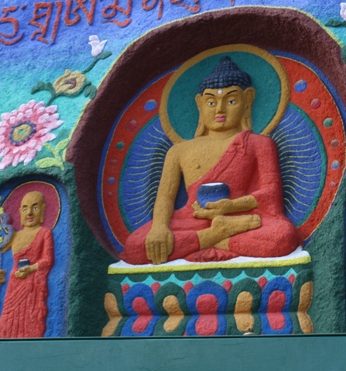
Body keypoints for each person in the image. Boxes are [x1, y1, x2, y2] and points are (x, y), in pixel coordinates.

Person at [121, 56, 300, 264]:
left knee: (284, 237)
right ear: (199, 104)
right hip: (192, 218)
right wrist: (160, 228)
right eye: (211, 102)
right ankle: (217, 236)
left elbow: (271, 194)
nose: (220, 110)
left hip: (240, 215)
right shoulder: (179, 151)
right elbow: (165, 199)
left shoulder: (259, 143)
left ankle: (205, 240)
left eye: (231, 101)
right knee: (135, 246)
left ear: (248, 100)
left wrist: (230, 207)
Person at [0, 191, 54, 338]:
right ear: (20, 212)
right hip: (15, 284)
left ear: (42, 210)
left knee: (31, 320)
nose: (29, 213)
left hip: (33, 286)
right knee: (7, 321)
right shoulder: (14, 235)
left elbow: (48, 260)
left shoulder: (44, 233)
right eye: (25, 208)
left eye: (35, 208)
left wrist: (31, 268)